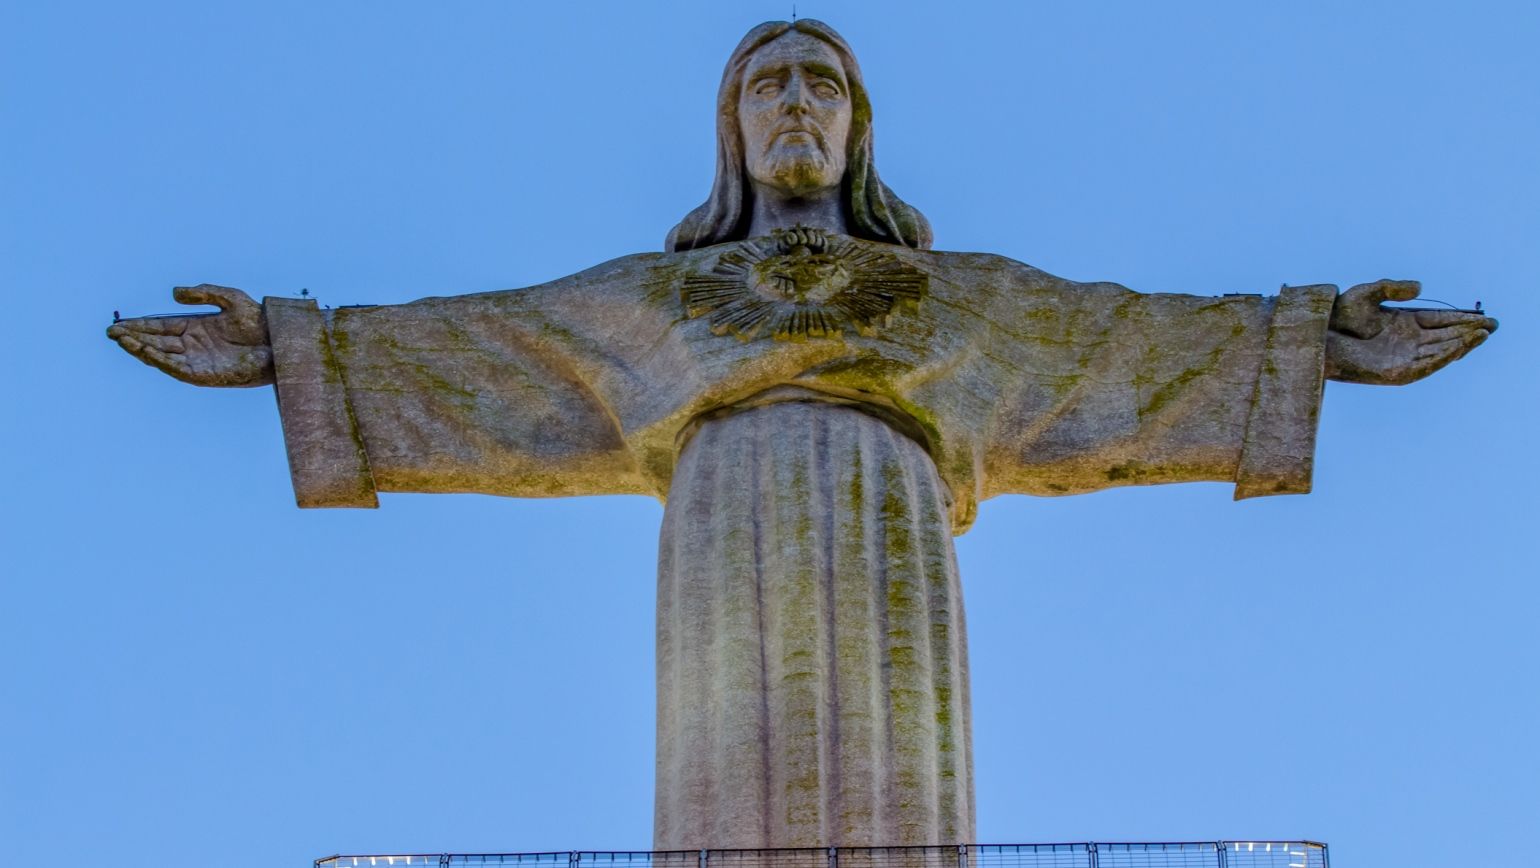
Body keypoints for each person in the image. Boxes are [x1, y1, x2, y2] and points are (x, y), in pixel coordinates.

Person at [107, 19, 1495, 851]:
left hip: (889, 512)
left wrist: (1307, 341)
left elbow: (1124, 341)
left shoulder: (957, 302)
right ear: (731, 129)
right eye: (766, 83)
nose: (793, 103)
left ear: (857, 129)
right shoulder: (658, 302)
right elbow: (482, 347)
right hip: (723, 512)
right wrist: (296, 352)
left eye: (820, 84)